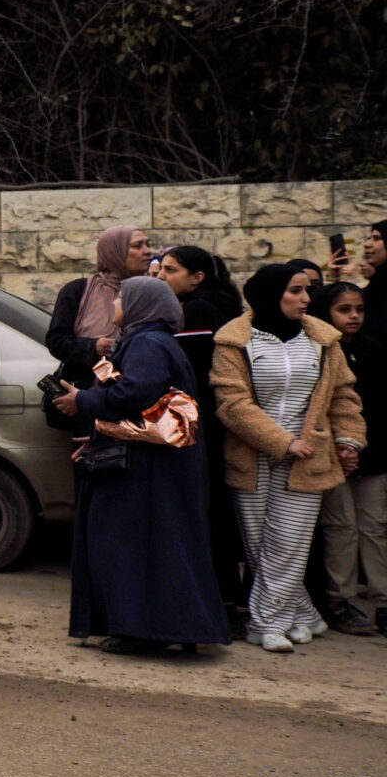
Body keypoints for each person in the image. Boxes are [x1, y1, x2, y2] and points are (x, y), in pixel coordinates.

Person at [48, 277, 229, 652]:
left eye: (120, 298)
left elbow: (136, 393)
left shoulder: (147, 343)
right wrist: (99, 432)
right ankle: (158, 629)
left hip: (148, 472)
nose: (114, 303)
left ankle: (145, 633)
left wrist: (82, 401)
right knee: (151, 544)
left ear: (139, 305)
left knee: (133, 545)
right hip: (149, 465)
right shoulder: (148, 340)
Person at [214, 263, 367, 650]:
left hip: (309, 456)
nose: (306, 299)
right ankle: (304, 615)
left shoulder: (323, 341)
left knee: (290, 543)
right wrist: (283, 442)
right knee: (261, 545)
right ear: (270, 295)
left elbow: (344, 397)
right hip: (252, 456)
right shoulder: (234, 342)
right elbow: (232, 405)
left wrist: (349, 439)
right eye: (296, 291)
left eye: (306, 291)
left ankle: (265, 625)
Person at [162, 244, 250, 621]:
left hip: (200, 426)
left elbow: (190, 374)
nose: (162, 276)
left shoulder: (197, 309)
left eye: (170, 270)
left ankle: (221, 603)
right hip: (216, 425)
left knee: (207, 514)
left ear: (197, 277)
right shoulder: (219, 304)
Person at [311, 281, 385, 634]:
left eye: (359, 309)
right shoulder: (319, 350)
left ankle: (381, 599)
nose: (354, 316)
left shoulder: (373, 350)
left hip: (371, 456)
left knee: (374, 528)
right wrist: (342, 447)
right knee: (342, 528)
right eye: (344, 309)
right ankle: (341, 601)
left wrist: (359, 447)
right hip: (332, 456)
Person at [48, 227, 152, 388]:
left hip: (139, 390)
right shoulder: (78, 290)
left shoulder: (154, 292)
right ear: (114, 252)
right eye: (138, 246)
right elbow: (56, 341)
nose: (147, 252)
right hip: (84, 390)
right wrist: (93, 346)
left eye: (148, 244)